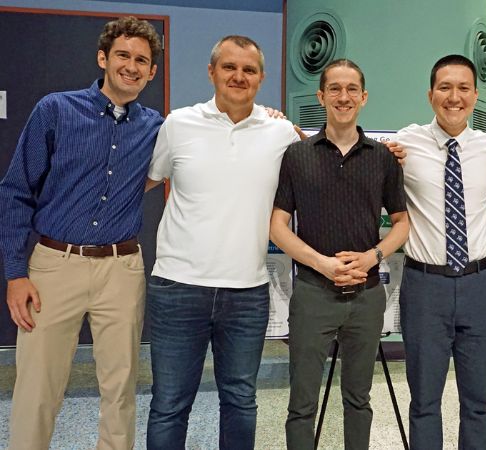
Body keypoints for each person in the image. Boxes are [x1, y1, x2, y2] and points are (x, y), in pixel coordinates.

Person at [0, 16, 162, 450]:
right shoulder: (55, 110)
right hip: (53, 266)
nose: (131, 66)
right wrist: (15, 272)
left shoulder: (156, 127)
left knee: (121, 389)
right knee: (37, 389)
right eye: (123, 55)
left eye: (142, 60)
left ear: (152, 72)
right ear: (103, 58)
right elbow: (15, 192)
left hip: (122, 270)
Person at [144, 35, 300, 449]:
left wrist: (390, 155)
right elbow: (143, 181)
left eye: (249, 70)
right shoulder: (177, 124)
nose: (239, 76)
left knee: (240, 400)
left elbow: (320, 164)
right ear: (211, 71)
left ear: (262, 78)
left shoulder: (281, 131)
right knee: (170, 403)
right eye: (229, 67)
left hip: (247, 292)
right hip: (178, 287)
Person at [270, 58, 409, 450]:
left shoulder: (382, 158)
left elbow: (402, 223)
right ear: (321, 96)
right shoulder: (297, 155)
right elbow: (277, 226)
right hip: (314, 293)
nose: (343, 97)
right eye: (335, 88)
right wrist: (322, 264)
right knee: (301, 404)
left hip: (365, 296)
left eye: (351, 89)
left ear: (363, 97)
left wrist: (372, 257)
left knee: (359, 399)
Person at [396, 54, 486, 449]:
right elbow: (347, 150)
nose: (453, 97)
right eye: (445, 87)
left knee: (479, 400)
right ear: (430, 95)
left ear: (475, 95)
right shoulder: (404, 144)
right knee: (424, 400)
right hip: (426, 287)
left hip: (481, 284)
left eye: (463, 88)